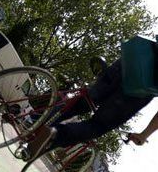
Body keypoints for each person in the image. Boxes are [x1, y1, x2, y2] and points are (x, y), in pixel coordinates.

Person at [27, 58, 158, 160]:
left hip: (129, 62)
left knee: (84, 101)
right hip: (140, 89)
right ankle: (54, 134)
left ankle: (33, 123)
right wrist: (144, 134)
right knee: (98, 125)